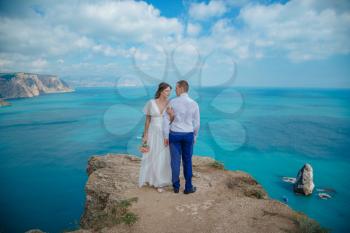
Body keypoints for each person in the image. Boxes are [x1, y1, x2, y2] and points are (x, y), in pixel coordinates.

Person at [163, 80, 200, 194]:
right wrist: (194, 136)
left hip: (174, 134)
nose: (175, 90)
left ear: (181, 88)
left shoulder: (172, 102)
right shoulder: (194, 103)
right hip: (188, 134)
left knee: (175, 161)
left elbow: (166, 120)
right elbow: (197, 123)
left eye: (176, 88)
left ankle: (176, 187)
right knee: (187, 161)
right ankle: (188, 187)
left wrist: (165, 135)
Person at [138, 82, 174, 193]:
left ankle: (160, 182)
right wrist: (145, 135)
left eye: (169, 91)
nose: (168, 93)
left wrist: (171, 114)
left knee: (163, 157)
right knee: (151, 156)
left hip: (164, 133)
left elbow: (171, 120)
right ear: (161, 91)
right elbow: (147, 120)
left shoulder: (169, 103)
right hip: (153, 132)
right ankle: (150, 179)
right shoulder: (151, 102)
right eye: (167, 91)